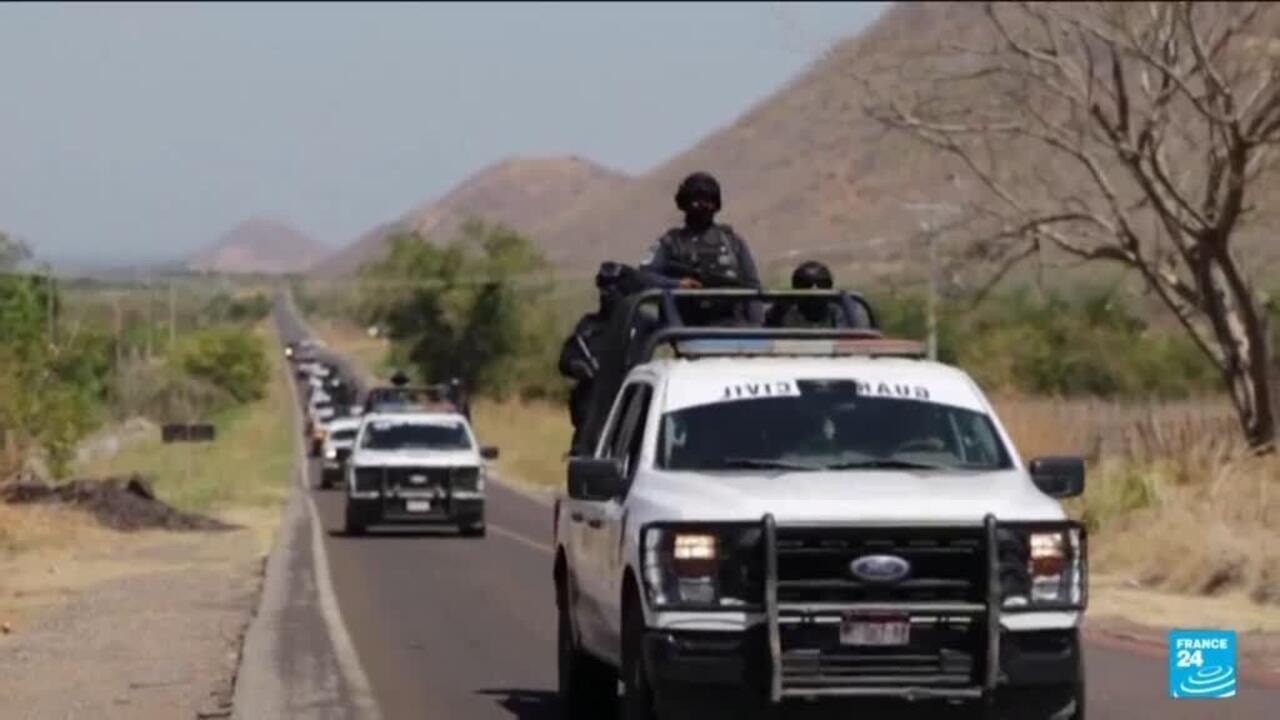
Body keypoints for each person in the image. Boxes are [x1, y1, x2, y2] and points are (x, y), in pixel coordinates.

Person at [638, 172, 762, 325]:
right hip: (688, 328)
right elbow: (644, 277)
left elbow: (753, 288)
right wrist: (677, 285)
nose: (702, 206)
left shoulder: (733, 242)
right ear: (684, 203)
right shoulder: (670, 242)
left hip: (733, 326)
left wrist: (757, 331)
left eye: (708, 201)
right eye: (696, 201)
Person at [560, 262, 627, 451]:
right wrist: (577, 366)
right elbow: (566, 358)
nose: (607, 293)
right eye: (604, 287)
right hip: (591, 417)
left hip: (628, 410)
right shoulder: (588, 326)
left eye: (613, 287)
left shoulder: (639, 324)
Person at [765, 260, 845, 328]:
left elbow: (853, 335)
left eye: (822, 284)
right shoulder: (782, 312)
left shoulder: (839, 312)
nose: (814, 290)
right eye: (806, 284)